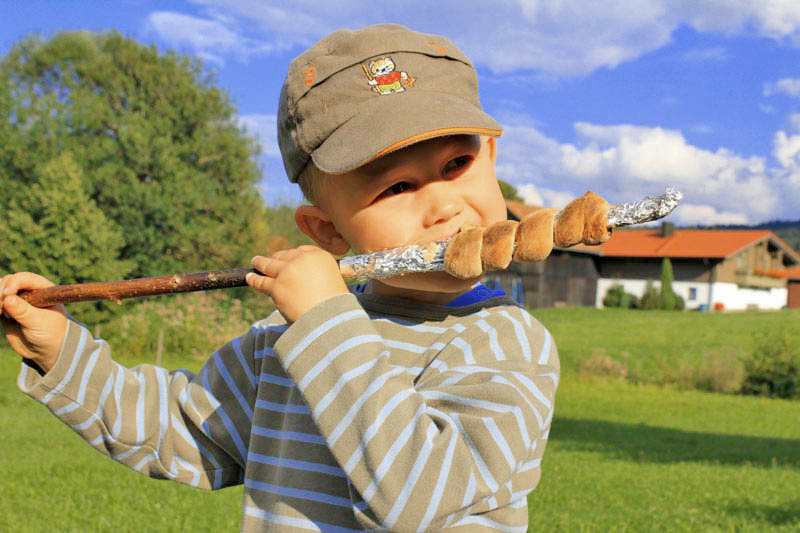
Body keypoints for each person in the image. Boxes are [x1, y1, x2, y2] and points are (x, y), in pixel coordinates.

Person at [0, 24, 605, 531]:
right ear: (328, 232)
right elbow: (183, 431)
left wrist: (323, 323)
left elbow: (423, 498)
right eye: (396, 187)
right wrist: (62, 353)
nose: (444, 206)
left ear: (492, 159)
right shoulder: (284, 338)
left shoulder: (505, 343)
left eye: (457, 164)